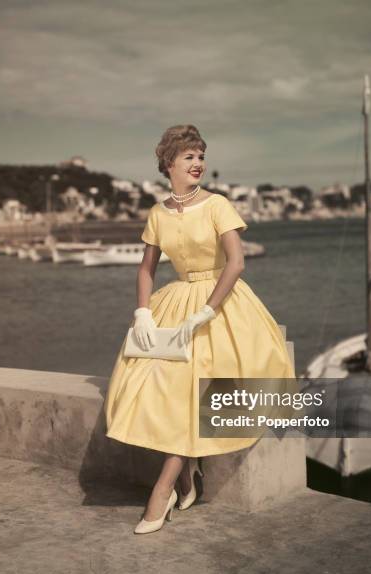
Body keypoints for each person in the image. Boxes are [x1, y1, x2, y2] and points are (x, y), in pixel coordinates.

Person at [104, 124, 295, 534]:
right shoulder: (157, 213)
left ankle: (164, 489)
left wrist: (206, 312)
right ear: (168, 163)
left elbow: (237, 263)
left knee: (193, 399)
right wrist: (142, 313)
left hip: (220, 306)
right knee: (160, 390)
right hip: (175, 302)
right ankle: (188, 474)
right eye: (189, 156)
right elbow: (145, 268)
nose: (198, 163)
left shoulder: (217, 205)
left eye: (201, 156)